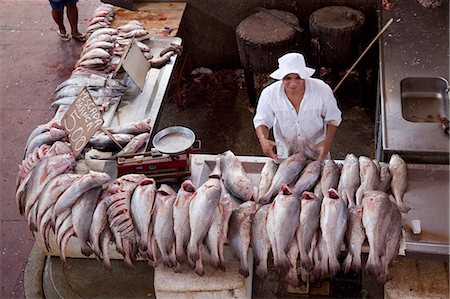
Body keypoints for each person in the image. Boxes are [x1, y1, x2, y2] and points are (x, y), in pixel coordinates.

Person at [253, 52, 341, 162]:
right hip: (286, 155)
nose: (293, 83)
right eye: (288, 78)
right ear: (281, 78)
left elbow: (333, 118)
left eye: (298, 78)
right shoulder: (269, 94)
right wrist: (263, 139)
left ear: (304, 76)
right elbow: (262, 121)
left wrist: (327, 142)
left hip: (317, 153)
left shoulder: (322, 89)